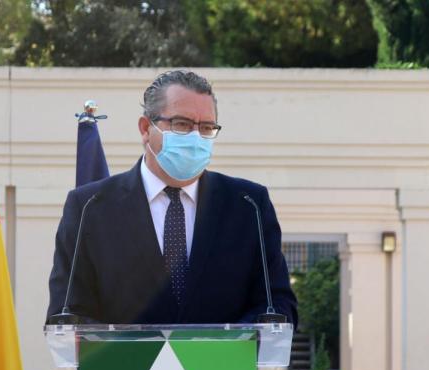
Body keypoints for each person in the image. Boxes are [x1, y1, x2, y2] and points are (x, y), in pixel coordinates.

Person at [47, 69, 297, 327]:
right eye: (182, 124)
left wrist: (227, 345)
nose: (195, 137)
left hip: (219, 367)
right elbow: (68, 313)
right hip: (126, 367)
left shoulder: (249, 206)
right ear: (146, 128)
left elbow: (278, 305)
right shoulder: (90, 207)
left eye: (207, 127)